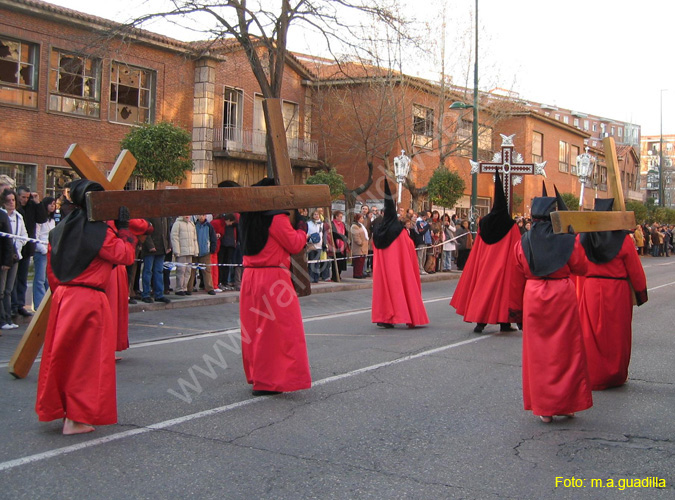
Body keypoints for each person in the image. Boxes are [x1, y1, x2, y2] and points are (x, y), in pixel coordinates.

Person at [35, 180, 136, 434]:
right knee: (86, 360)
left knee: (62, 357)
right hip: (89, 299)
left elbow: (52, 271)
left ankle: (62, 409)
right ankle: (76, 418)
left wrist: (63, 295)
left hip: (63, 297)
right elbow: (125, 255)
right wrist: (124, 230)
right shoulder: (99, 231)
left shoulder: (59, 230)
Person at [509, 191, 592, 423]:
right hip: (562, 294)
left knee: (539, 355)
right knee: (566, 352)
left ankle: (544, 407)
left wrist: (516, 313)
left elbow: (516, 278)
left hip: (534, 296)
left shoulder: (522, 242)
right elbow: (582, 267)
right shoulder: (566, 238)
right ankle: (566, 404)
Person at [238, 178, 311, 396]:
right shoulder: (276, 218)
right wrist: (302, 227)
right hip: (273, 277)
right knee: (280, 331)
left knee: (254, 329)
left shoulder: (246, 217)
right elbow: (294, 244)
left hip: (250, 277)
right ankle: (269, 379)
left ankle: (257, 374)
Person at [577, 198, 648, 390]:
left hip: (591, 288)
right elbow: (635, 269)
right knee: (617, 334)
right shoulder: (623, 239)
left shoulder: (583, 237)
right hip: (617, 291)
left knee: (590, 334)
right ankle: (615, 374)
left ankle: (593, 374)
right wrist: (641, 293)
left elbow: (575, 261)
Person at [450, 174, 520, 333]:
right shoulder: (511, 225)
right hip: (502, 265)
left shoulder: (484, 222)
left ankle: (480, 322)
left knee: (483, 291)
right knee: (502, 294)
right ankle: (504, 323)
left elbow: (479, 245)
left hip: (485, 263)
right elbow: (516, 247)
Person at [371, 179, 429, 329]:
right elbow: (409, 246)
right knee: (401, 288)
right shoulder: (399, 231)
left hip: (383, 270)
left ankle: (385, 317)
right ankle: (404, 315)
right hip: (398, 268)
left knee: (385, 290)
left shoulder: (378, 231)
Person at [12, 186, 48, 316]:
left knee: (22, 278)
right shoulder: (15, 209)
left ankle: (20, 304)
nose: (25, 200)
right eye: (23, 197)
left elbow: (42, 219)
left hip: (27, 248)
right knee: (13, 279)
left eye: (27, 197)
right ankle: (12, 305)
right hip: (15, 247)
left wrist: (38, 203)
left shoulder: (32, 206)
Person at [1, 190, 26, 330]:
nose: (11, 203)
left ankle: (9, 317)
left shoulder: (19, 217)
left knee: (9, 289)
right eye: (8, 200)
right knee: (2, 289)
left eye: (13, 200)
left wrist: (17, 248)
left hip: (15, 255)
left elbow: (24, 235)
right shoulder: (2, 215)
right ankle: (3, 318)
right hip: (4, 256)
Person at [140, 217, 171, 304]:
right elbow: (146, 231)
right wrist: (150, 246)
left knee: (159, 271)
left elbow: (167, 231)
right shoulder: (149, 214)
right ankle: (146, 294)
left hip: (161, 247)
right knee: (148, 271)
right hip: (150, 249)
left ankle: (159, 294)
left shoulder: (164, 216)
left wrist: (168, 245)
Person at [33, 196, 57, 309]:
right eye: (50, 204)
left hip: (51, 252)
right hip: (41, 252)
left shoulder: (52, 220)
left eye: (54, 204)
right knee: (40, 279)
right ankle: (39, 305)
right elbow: (36, 236)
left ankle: (49, 304)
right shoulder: (40, 220)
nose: (53, 206)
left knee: (49, 279)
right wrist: (43, 249)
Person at [189, 215, 217, 295]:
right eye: (199, 215)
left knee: (207, 271)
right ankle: (189, 288)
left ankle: (209, 288)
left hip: (205, 252)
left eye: (203, 215)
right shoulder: (193, 225)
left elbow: (213, 238)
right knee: (191, 271)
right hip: (194, 251)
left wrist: (212, 249)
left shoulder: (209, 226)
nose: (201, 217)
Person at [170, 216, 198, 296]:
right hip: (181, 252)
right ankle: (179, 288)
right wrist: (177, 251)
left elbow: (195, 239)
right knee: (181, 270)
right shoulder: (177, 223)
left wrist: (196, 250)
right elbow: (174, 238)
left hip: (190, 251)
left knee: (188, 271)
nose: (187, 216)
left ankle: (185, 287)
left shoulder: (191, 224)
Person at [328, 211, 348, 282]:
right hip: (336, 244)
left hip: (342, 244)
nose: (341, 218)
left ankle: (339, 274)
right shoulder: (332, 224)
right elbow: (333, 233)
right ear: (336, 216)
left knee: (341, 261)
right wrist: (340, 237)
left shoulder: (343, 224)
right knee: (336, 261)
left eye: (342, 217)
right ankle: (334, 275)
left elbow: (346, 232)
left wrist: (345, 239)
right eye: (340, 216)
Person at [306, 210, 324, 283]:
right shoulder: (309, 223)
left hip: (319, 245)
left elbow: (323, 233)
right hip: (311, 244)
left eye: (317, 214)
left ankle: (316, 278)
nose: (316, 216)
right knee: (311, 262)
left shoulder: (321, 224)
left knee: (317, 262)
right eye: (315, 214)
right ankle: (311, 277)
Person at [350, 213, 369, 279]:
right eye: (361, 218)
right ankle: (357, 274)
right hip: (358, 247)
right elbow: (356, 237)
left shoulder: (361, 226)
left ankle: (360, 273)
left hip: (363, 247)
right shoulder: (354, 226)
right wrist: (360, 243)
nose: (362, 219)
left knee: (362, 262)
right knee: (358, 261)